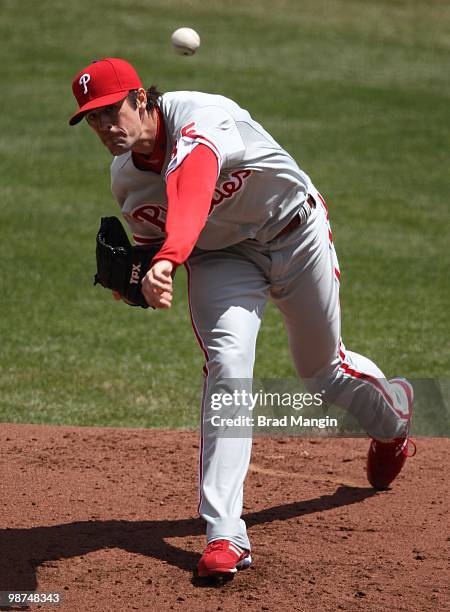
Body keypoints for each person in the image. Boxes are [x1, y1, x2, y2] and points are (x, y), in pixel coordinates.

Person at [69, 57, 416, 579]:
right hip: (221, 259)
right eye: (92, 119)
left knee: (321, 372)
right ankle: (225, 532)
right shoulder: (126, 179)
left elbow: (192, 186)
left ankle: (393, 418)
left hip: (295, 233)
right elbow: (153, 242)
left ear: (141, 99)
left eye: (110, 111)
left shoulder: (200, 117)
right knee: (228, 366)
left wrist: (167, 259)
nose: (105, 127)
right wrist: (141, 278)